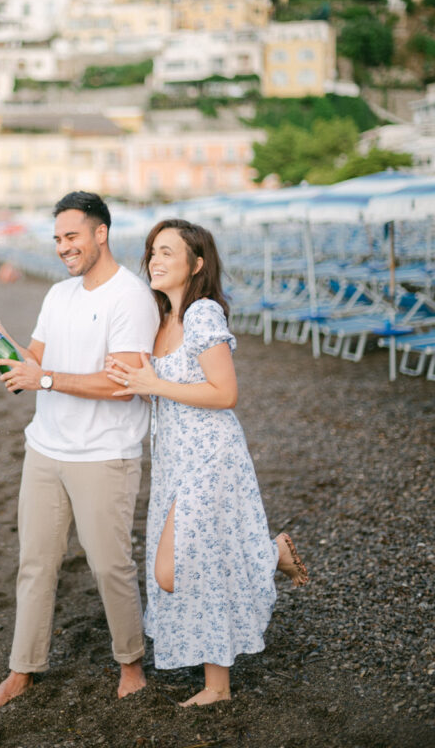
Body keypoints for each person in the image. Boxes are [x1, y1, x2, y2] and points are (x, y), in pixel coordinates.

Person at [105, 219, 308, 708]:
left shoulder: (203, 315)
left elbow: (226, 393)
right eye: (152, 251)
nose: (154, 259)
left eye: (168, 252)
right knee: (199, 566)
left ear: (196, 264)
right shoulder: (159, 321)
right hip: (174, 457)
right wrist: (134, 384)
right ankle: (218, 683)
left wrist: (154, 386)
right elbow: (162, 390)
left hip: (211, 455)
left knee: (172, 571)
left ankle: (265, 555)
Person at [0, 191, 159, 711]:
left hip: (105, 454)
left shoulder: (131, 297)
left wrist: (44, 377)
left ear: (101, 233)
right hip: (46, 449)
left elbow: (123, 383)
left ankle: (131, 664)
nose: (63, 248)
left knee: (108, 565)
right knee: (35, 564)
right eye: (57, 239)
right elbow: (32, 363)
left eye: (71, 236)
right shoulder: (59, 296)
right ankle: (21, 670)